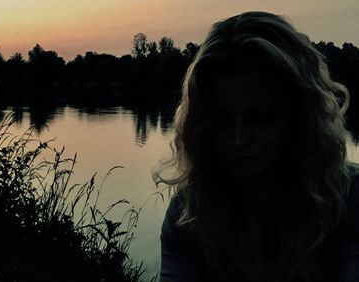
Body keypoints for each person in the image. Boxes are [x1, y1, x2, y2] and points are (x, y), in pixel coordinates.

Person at [154, 11, 359, 282]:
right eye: (222, 119)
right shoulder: (189, 213)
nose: (238, 140)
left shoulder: (350, 199)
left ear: (300, 115)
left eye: (261, 118)